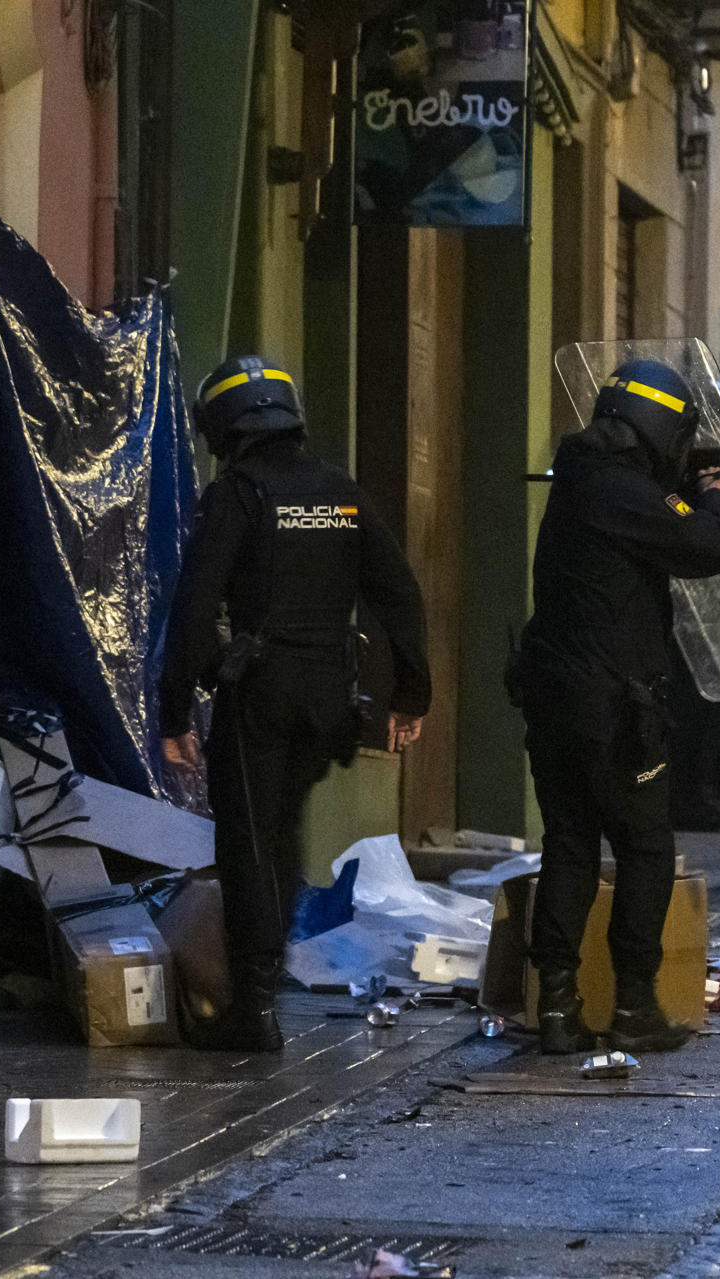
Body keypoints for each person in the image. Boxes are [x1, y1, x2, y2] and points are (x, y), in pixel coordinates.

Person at [160, 356, 430, 1051]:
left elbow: (195, 607)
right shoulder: (341, 493)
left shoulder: (238, 493)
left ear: (223, 426)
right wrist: (411, 693)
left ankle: (252, 1011)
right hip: (329, 698)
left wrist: (172, 711)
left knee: (248, 840)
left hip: (261, 694)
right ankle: (263, 988)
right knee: (282, 834)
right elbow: (398, 590)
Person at [515, 360, 720, 1055]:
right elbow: (706, 547)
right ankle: (635, 1003)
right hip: (614, 709)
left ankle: (557, 1004)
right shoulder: (621, 492)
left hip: (553, 699)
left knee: (570, 844)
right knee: (645, 846)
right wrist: (717, 499)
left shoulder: (580, 478)